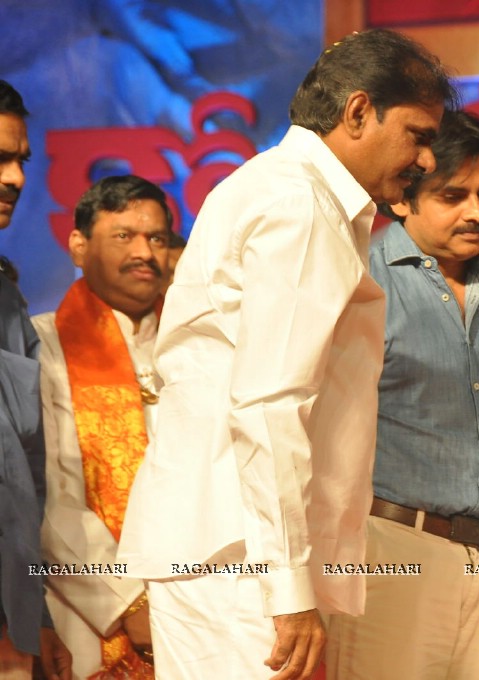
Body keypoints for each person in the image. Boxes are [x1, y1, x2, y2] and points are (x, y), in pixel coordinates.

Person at [116, 30, 455, 679]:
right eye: (417, 133)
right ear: (357, 112)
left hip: (232, 548)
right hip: (242, 555)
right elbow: (270, 404)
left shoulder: (288, 190)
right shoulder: (299, 204)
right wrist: (288, 588)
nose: (426, 160)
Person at [324, 109, 479, 680]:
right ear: (402, 199)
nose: (478, 213)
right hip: (388, 548)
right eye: (453, 195)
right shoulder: (359, 278)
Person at [32, 175, 171, 679]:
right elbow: (44, 494)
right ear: (77, 245)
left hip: (196, 603)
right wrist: (128, 603)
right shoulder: (39, 346)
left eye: (156, 238)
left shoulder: (196, 348)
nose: (145, 252)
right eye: (124, 236)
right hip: (90, 610)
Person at [0, 78, 73, 680]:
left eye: (20, 160)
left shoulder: (5, 300)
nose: (15, 179)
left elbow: (27, 470)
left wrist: (35, 616)